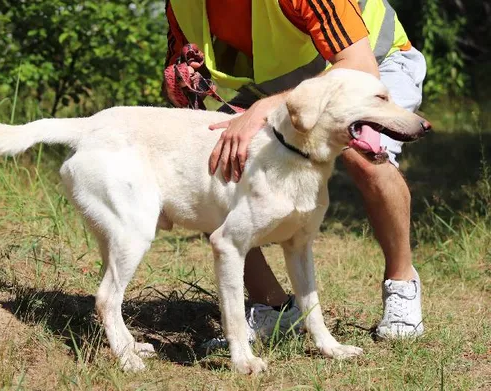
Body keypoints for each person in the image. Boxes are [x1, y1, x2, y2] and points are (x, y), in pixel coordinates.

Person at [162, 0, 425, 343]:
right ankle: (273, 308)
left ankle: (402, 283)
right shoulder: (181, 5)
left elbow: (360, 65)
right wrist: (182, 84)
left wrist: (268, 107)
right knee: (219, 158)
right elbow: (182, 68)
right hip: (285, 87)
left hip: (373, 66)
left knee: (362, 154)